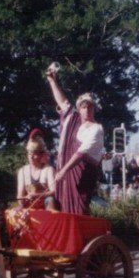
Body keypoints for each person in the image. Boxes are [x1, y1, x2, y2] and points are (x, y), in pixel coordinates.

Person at [46, 66, 104, 215]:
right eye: (84, 107)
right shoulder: (73, 120)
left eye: (90, 107)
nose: (87, 110)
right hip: (66, 174)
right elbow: (63, 102)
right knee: (61, 205)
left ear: (94, 109)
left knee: (80, 208)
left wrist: (63, 170)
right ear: (79, 109)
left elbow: (81, 153)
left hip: (83, 176)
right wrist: (52, 81)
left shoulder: (96, 129)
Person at [16, 129, 57, 211]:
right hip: (29, 206)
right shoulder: (22, 171)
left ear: (41, 155)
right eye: (29, 153)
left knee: (50, 199)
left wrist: (36, 195)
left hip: (47, 206)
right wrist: (21, 203)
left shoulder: (49, 170)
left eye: (34, 154)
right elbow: (20, 194)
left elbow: (53, 191)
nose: (31, 157)